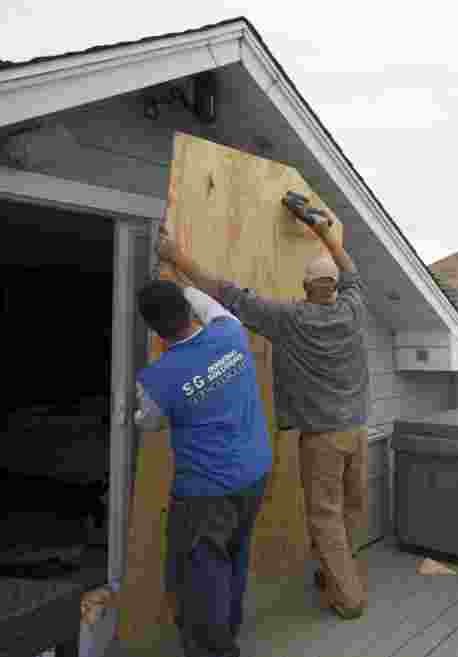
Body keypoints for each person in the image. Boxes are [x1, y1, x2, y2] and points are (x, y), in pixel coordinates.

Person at [156, 206, 371, 620]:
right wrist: (324, 233)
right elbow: (353, 272)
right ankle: (339, 575)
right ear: (335, 287)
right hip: (357, 430)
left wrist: (176, 257)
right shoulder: (353, 309)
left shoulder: (290, 319)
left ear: (307, 287)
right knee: (349, 508)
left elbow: (229, 295)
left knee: (325, 516)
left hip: (323, 437)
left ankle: (348, 598)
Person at [134, 278, 272, 657]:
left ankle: (215, 650)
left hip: (205, 496)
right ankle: (227, 634)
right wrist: (180, 281)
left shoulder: (159, 378)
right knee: (232, 561)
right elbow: (207, 302)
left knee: (199, 583)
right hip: (253, 475)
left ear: (153, 329)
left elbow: (149, 422)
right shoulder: (230, 332)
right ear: (187, 309)